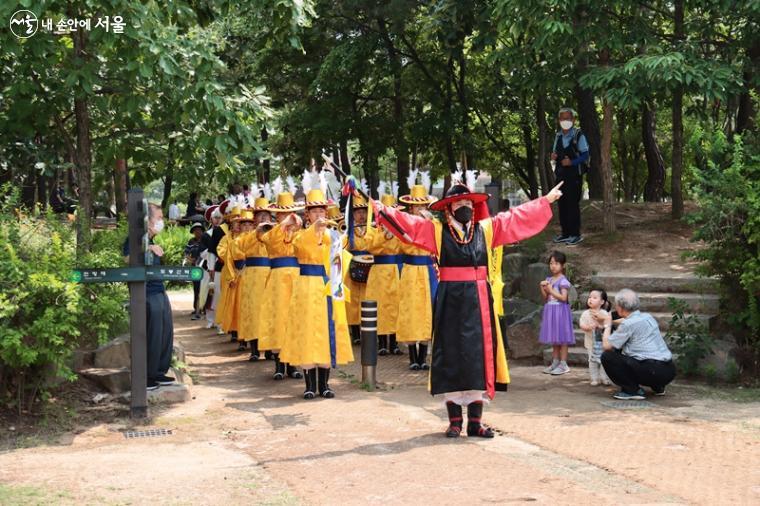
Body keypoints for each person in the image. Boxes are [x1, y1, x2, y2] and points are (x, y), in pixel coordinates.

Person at [373, 176, 563, 438]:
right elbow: (410, 225)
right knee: (452, 355)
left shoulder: (485, 229)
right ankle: (454, 421)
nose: (465, 206)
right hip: (450, 299)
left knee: (477, 358)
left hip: (478, 300)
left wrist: (545, 201)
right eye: (459, 202)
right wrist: (380, 209)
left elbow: (515, 218)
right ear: (449, 208)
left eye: (468, 202)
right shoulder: (437, 231)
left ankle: (475, 422)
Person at [278, 184, 354, 400]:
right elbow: (299, 246)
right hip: (306, 287)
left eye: (322, 211)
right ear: (308, 215)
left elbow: (343, 253)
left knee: (326, 329)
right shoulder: (301, 235)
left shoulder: (333, 236)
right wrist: (315, 230)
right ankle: (309, 385)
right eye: (314, 211)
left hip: (328, 284)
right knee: (308, 331)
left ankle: (325, 384)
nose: (319, 215)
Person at [122, 203, 175, 391]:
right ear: (148, 220)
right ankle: (146, 376)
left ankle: (158, 372)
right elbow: (127, 258)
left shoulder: (152, 240)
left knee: (164, 334)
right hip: (146, 294)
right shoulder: (136, 239)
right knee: (151, 335)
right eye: (159, 218)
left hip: (159, 290)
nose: (162, 222)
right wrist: (148, 248)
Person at [258, 182, 305, 380]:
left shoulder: (301, 233)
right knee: (278, 318)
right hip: (278, 280)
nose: (288, 219)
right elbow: (269, 240)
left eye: (291, 214)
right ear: (276, 216)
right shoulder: (271, 233)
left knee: (294, 319)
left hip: (296, 277)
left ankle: (293, 364)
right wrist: (283, 225)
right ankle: (279, 365)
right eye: (283, 215)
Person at [600, 289, 676, 400]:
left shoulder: (628, 324)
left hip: (652, 371)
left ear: (620, 307)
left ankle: (632, 390)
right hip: (669, 370)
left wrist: (607, 325)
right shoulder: (647, 317)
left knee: (608, 356)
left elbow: (607, 346)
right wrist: (612, 320)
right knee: (636, 352)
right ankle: (658, 387)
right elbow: (630, 323)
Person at [396, 176, 438, 370]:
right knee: (411, 311)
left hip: (428, 270)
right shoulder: (404, 226)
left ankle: (424, 356)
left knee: (428, 311)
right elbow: (400, 245)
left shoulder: (433, 224)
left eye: (424, 206)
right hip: (411, 271)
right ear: (410, 209)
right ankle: (413, 357)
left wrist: (432, 223)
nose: (420, 211)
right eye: (416, 207)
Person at [365, 190, 404, 357]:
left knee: (395, 305)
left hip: (395, 269)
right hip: (379, 271)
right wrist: (384, 237)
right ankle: (381, 342)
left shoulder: (399, 228)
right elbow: (370, 247)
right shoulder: (373, 229)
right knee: (380, 305)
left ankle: (394, 342)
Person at [235, 198, 274, 361]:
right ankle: (254, 349)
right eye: (260, 216)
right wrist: (256, 233)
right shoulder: (245, 236)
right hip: (252, 276)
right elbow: (241, 249)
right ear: (254, 218)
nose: (264, 219)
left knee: (270, 311)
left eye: (266, 215)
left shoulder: (275, 232)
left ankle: (272, 349)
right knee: (252, 311)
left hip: (271, 274)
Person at [551, 107, 589, 246]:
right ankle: (565, 233)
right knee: (562, 204)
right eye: (562, 118)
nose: (565, 121)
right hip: (560, 175)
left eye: (568, 118)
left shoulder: (579, 135)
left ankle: (575, 234)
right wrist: (554, 156)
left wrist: (572, 162)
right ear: (558, 120)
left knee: (572, 204)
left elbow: (585, 155)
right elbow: (555, 153)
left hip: (574, 176)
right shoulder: (558, 136)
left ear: (573, 120)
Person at [539, 251, 575, 376]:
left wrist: (550, 290)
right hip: (551, 310)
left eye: (556, 263)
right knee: (555, 339)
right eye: (551, 263)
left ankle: (563, 364)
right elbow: (545, 297)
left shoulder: (563, 280)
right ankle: (555, 362)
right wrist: (542, 288)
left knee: (563, 339)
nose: (553, 266)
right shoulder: (549, 279)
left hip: (561, 311)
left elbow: (563, 298)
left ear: (563, 265)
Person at [579, 289, 612, 386]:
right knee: (592, 360)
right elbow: (582, 325)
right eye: (589, 297)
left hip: (603, 343)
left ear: (602, 302)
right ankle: (594, 378)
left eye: (594, 297)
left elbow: (607, 325)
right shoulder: (585, 313)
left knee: (604, 361)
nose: (590, 299)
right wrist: (588, 327)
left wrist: (601, 326)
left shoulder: (604, 314)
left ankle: (604, 378)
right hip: (590, 343)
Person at [184, 222, 205, 320]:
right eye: (196, 230)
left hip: (204, 267)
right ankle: (196, 308)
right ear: (193, 232)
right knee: (196, 288)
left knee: (204, 288)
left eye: (199, 230)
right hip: (194, 268)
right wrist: (190, 260)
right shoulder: (191, 241)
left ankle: (203, 308)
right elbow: (186, 253)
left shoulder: (205, 240)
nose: (198, 232)